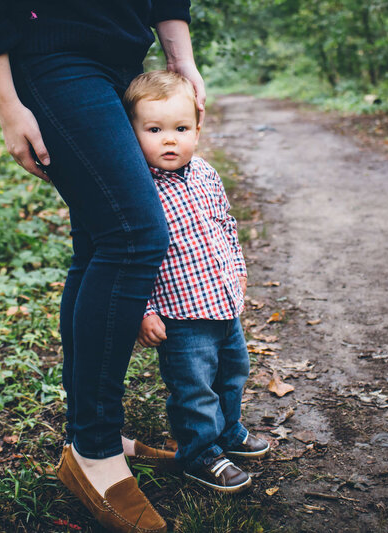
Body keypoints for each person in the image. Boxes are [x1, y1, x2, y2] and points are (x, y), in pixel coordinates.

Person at [0, 2, 203, 532]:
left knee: (98, 240)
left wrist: (178, 58)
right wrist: (5, 100)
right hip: (52, 54)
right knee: (134, 234)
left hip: (122, 58)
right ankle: (93, 450)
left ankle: (89, 432)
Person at [123, 70, 270, 493]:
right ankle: (200, 452)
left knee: (232, 373)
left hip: (223, 304)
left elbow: (226, 223)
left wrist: (238, 269)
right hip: (179, 314)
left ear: (197, 130)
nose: (170, 140)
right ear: (132, 132)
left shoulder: (205, 173)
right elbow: (132, 254)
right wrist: (144, 310)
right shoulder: (140, 187)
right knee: (194, 388)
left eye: (180, 129)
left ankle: (229, 431)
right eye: (154, 129)